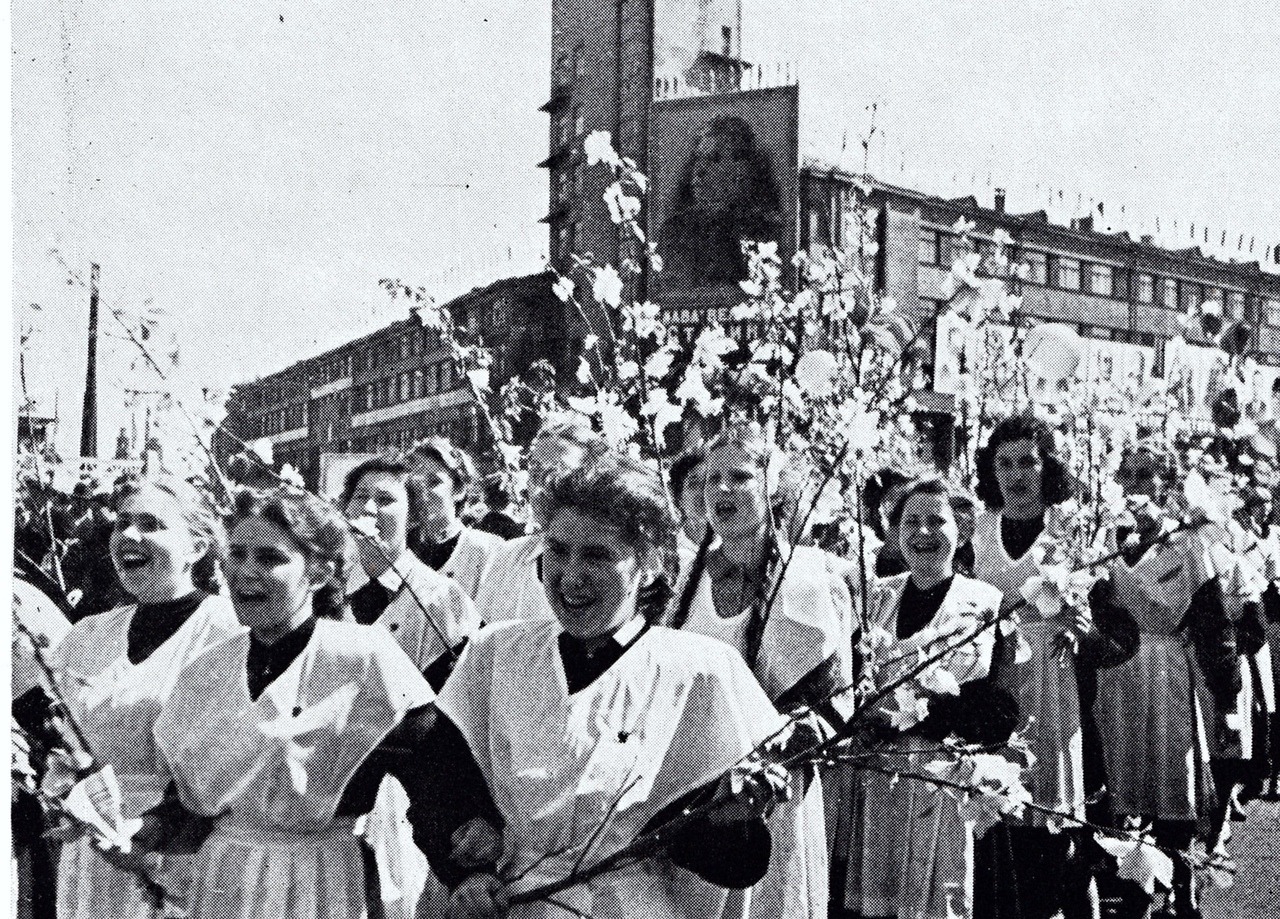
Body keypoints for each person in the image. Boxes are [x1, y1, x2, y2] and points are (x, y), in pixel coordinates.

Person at [408, 451, 801, 919]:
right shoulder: (494, 654)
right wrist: (465, 868)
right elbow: (437, 782)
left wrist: (725, 819)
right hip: (506, 905)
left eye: (597, 555)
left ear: (649, 563)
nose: (571, 577)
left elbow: (738, 865)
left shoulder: (700, 673)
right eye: (557, 551)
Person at [150, 487, 436, 919]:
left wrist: (465, 864)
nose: (246, 572)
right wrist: (136, 828)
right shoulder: (206, 667)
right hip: (223, 878)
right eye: (238, 555)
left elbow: (436, 771)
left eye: (269, 558)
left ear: (320, 569)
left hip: (321, 879)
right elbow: (185, 797)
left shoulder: (363, 657)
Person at [665, 422, 851, 919]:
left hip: (768, 798)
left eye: (740, 477)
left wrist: (758, 764)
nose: (721, 490)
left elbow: (828, 710)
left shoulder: (805, 582)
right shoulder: (688, 577)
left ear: (772, 487)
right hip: (693, 794)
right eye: (711, 480)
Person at [46, 474, 239, 919]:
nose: (128, 536)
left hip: (185, 858)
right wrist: (59, 792)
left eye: (151, 524)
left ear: (197, 546)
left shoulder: (230, 633)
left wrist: (156, 831)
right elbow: (62, 744)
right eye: (122, 524)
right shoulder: (86, 637)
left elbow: (236, 765)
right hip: (92, 857)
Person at [837, 477, 1013, 919]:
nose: (923, 533)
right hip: (877, 777)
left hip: (943, 776)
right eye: (911, 522)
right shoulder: (878, 598)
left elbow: (994, 704)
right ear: (894, 534)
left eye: (937, 521)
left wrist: (914, 718)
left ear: (963, 530)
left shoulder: (984, 602)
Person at [971, 415, 1120, 919]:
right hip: (993, 689)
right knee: (993, 830)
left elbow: (1120, 640)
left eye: (1028, 462)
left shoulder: (1072, 531)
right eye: (1004, 463)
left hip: (1056, 693)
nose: (1016, 475)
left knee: (1054, 839)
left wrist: (1087, 629)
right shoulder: (975, 530)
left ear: (1047, 467)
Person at [1095, 444, 1239, 918]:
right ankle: (1134, 888)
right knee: (1125, 782)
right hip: (1116, 675)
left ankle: (1182, 886)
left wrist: (1227, 692)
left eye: (1146, 475)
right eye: (1128, 475)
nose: (1135, 485)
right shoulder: (1104, 543)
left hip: (1168, 673)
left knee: (1171, 782)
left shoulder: (1188, 546)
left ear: (1167, 485)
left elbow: (1215, 623)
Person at [340, 456, 482, 919]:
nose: (371, 509)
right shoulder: (325, 591)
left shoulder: (440, 598)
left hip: (404, 789)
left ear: (412, 514)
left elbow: (455, 710)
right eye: (360, 498)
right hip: (328, 789)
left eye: (386, 500)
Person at [473, 420, 608, 624]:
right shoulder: (507, 557)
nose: (538, 490)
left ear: (592, 478)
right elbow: (480, 644)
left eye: (555, 475)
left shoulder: (611, 564)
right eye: (535, 473)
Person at [405, 438, 504, 601]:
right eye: (415, 483)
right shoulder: (401, 551)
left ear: (459, 489)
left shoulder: (487, 549)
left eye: (434, 482)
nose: (422, 492)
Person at [669, 447, 710, 561]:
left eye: (708, 482)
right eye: (693, 484)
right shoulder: (670, 552)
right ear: (679, 498)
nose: (702, 492)